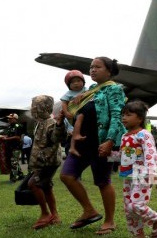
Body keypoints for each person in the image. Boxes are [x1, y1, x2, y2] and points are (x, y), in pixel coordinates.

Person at [60, 56, 125, 235]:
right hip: (83, 141)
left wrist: (110, 140)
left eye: (97, 67)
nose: (92, 70)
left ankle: (110, 221)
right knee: (67, 175)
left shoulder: (114, 89)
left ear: (109, 71)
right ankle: (89, 210)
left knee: (103, 181)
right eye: (91, 67)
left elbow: (117, 116)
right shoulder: (90, 91)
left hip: (104, 142)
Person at [119, 100, 157, 238]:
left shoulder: (144, 134)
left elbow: (151, 154)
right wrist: (108, 155)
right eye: (123, 115)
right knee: (129, 209)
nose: (124, 118)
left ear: (140, 118)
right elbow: (125, 155)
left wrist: (152, 173)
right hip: (128, 176)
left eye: (128, 115)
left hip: (143, 175)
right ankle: (138, 235)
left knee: (136, 205)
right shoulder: (124, 136)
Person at [27, 95, 66, 229]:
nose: (33, 109)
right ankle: (55, 216)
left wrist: (60, 124)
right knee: (46, 187)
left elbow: (57, 137)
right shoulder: (40, 123)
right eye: (32, 106)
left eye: (36, 106)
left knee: (33, 184)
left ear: (45, 108)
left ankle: (45, 214)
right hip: (42, 161)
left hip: (47, 162)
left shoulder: (51, 123)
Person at [61, 70, 87, 157]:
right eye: (72, 82)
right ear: (69, 85)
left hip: (85, 116)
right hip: (73, 117)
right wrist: (66, 112)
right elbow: (64, 103)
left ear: (83, 82)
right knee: (73, 132)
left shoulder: (86, 90)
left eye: (78, 81)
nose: (76, 83)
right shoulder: (69, 94)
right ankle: (72, 148)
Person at [1, 113, 25, 182]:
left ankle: (12, 178)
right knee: (14, 162)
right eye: (9, 118)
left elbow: (18, 137)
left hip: (16, 147)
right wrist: (4, 137)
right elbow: (6, 135)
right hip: (9, 147)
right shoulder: (9, 127)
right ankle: (21, 175)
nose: (9, 120)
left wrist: (6, 139)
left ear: (15, 119)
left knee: (13, 162)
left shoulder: (18, 126)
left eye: (11, 118)